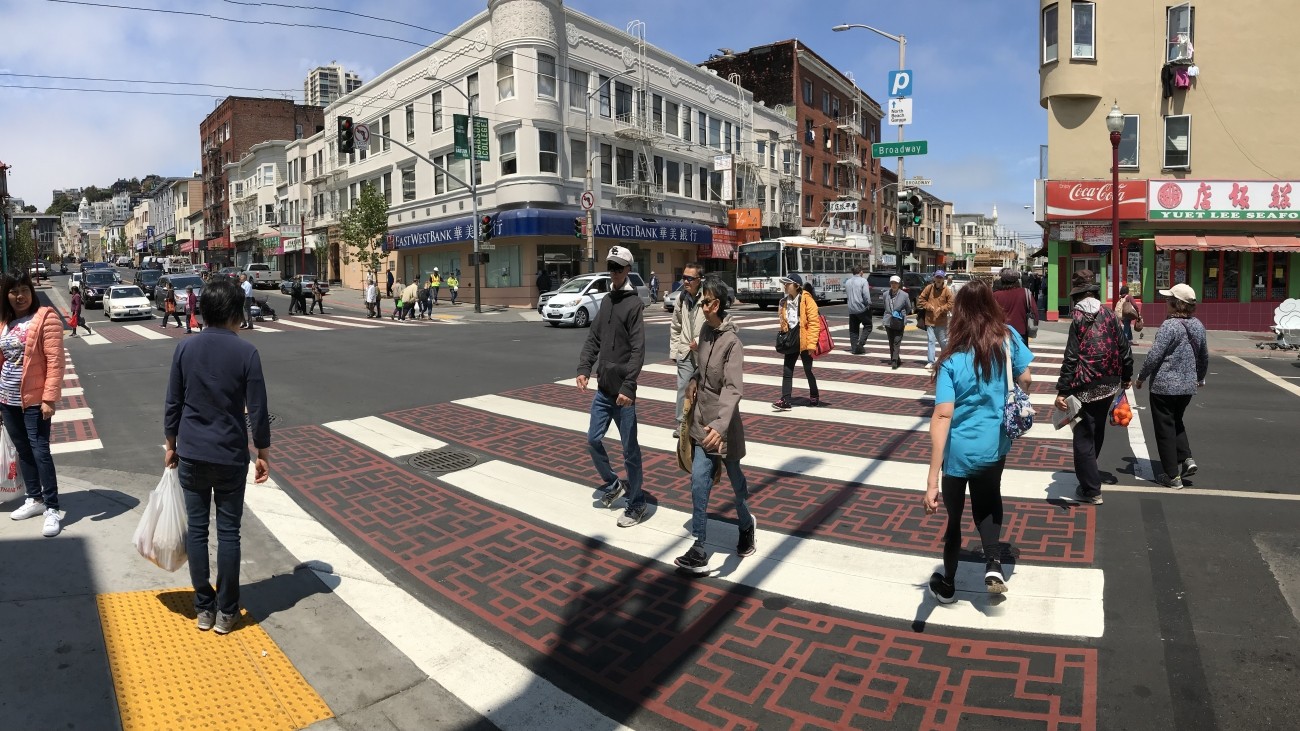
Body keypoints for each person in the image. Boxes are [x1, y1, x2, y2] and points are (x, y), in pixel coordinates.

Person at [164, 277, 271, 635]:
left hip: (192, 452)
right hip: (229, 454)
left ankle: (203, 608)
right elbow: (257, 410)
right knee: (229, 533)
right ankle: (227, 611)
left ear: (203, 311)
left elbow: (173, 403)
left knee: (196, 531)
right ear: (235, 313)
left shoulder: (185, 349)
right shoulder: (246, 352)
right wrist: (263, 452)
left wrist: (170, 444)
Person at [924, 279, 1033, 603]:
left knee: (954, 519)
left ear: (958, 312)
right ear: (990, 305)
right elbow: (1026, 378)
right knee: (988, 501)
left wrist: (932, 480)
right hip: (993, 446)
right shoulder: (1007, 339)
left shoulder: (950, 359)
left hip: (957, 453)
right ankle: (994, 563)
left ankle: (949, 584)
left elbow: (942, 416)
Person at [674, 276, 757, 573]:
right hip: (700, 423)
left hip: (723, 428)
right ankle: (699, 546)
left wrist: (720, 426)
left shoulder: (732, 343)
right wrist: (694, 381)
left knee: (736, 485)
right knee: (699, 482)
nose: (701, 305)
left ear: (716, 305)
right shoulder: (706, 333)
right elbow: (701, 369)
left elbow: (733, 388)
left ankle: (746, 524)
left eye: (705, 301)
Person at [576, 246, 648, 528]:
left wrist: (629, 387)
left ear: (628, 270)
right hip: (604, 390)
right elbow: (594, 339)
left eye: (618, 268)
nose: (614, 273)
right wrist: (584, 368)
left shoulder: (633, 305)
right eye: (611, 267)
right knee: (593, 440)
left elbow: (638, 351)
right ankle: (614, 483)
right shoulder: (606, 301)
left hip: (623, 396)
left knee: (630, 450)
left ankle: (637, 501)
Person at [1055, 270, 1133, 505]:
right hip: (1109, 383)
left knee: (1083, 435)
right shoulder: (1108, 313)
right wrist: (1126, 376)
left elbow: (1071, 357)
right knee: (1096, 429)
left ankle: (1091, 489)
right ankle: (1090, 473)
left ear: (1077, 295)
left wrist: (1063, 390)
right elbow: (1124, 348)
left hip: (1085, 385)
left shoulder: (1077, 317)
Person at [1, 269, 66, 537]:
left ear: (32, 291)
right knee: (23, 451)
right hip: (7, 398)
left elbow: (55, 361)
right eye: (14, 291)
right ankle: (34, 498)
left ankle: (52, 507)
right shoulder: (4, 321)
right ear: (6, 294)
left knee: (40, 451)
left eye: (25, 290)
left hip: (35, 401)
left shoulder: (45, 317)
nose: (20, 296)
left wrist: (49, 398)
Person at [1135, 283, 1208, 489]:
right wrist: (1199, 377)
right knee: (1176, 420)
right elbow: (1203, 356)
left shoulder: (1169, 326)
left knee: (1164, 428)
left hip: (1164, 386)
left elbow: (1154, 355)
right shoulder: (1198, 325)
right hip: (1187, 387)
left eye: (1169, 299)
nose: (1166, 302)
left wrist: (1141, 377)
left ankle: (1172, 476)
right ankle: (1186, 458)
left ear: (1177, 304)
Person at [771, 273, 821, 410]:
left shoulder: (807, 300)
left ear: (796, 285)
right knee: (787, 370)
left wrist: (811, 344)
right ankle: (785, 400)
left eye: (788, 283)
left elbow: (814, 323)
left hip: (804, 341)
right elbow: (784, 323)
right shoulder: (784, 302)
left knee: (808, 370)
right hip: (792, 340)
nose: (785, 286)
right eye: (784, 283)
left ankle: (814, 394)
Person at [669, 263, 705, 439]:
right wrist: (675, 351)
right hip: (685, 351)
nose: (686, 281)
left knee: (705, 389)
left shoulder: (708, 297)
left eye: (690, 278)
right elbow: (675, 326)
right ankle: (682, 424)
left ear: (699, 280)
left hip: (704, 352)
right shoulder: (681, 298)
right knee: (683, 388)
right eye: (684, 277)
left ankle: (701, 423)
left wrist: (700, 341)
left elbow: (715, 323)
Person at [918, 269, 954, 370]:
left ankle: (945, 359)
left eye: (940, 277)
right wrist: (929, 306)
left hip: (941, 321)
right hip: (929, 320)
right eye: (937, 277)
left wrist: (941, 309)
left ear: (943, 279)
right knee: (931, 341)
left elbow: (951, 303)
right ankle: (931, 361)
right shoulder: (929, 288)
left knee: (943, 341)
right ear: (934, 278)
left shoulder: (947, 290)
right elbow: (921, 299)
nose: (938, 279)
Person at [992, 269, 1037, 346]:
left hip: (1001, 332)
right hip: (1021, 331)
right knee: (1021, 356)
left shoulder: (996, 295)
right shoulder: (1025, 293)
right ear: (1017, 280)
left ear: (1002, 280)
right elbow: (1034, 312)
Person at [881, 275, 912, 370]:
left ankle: (894, 360)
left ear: (899, 284)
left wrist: (902, 315)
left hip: (899, 320)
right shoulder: (886, 294)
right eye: (892, 283)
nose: (893, 285)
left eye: (895, 283)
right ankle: (895, 358)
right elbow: (885, 306)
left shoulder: (904, 295)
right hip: (888, 320)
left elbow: (908, 308)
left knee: (897, 341)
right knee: (891, 341)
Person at [844, 265, 872, 355]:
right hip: (861, 308)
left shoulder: (847, 282)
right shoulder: (863, 281)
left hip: (851, 309)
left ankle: (854, 349)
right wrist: (868, 304)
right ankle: (860, 344)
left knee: (853, 330)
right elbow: (866, 295)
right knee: (868, 325)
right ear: (860, 272)